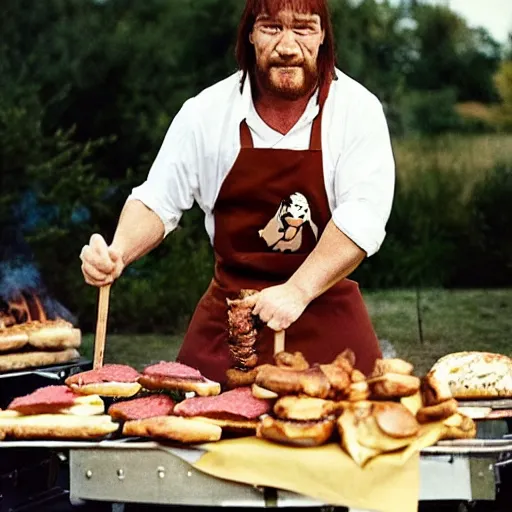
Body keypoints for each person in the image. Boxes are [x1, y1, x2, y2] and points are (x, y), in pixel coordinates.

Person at [80, 0, 395, 384]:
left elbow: (362, 218)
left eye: (303, 28)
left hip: (324, 309)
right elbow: (158, 199)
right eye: (271, 27)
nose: (287, 46)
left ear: (323, 35)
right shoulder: (206, 112)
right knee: (194, 427)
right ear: (250, 33)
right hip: (228, 323)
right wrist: (118, 252)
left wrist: (296, 290)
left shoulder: (356, 110)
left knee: (351, 427)